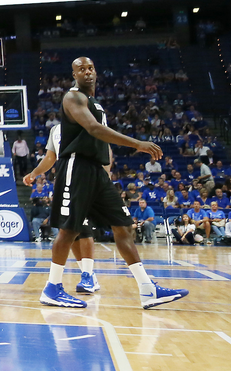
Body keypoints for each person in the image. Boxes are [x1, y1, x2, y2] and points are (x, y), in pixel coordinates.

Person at [40, 57, 187, 310]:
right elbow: (94, 129)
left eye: (90, 68)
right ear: (74, 75)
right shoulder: (72, 98)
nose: (87, 72)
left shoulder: (94, 102)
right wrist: (138, 143)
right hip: (76, 167)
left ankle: (147, 289)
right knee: (70, 230)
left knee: (124, 225)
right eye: (81, 69)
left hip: (97, 171)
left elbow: (101, 139)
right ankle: (52, 288)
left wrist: (107, 168)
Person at [23, 121, 102, 294]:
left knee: (84, 228)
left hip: (85, 179)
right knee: (68, 229)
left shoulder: (88, 123)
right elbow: (50, 158)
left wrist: (104, 178)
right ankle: (88, 275)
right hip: (64, 181)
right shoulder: (56, 129)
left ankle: (88, 274)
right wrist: (34, 173)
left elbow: (104, 151)